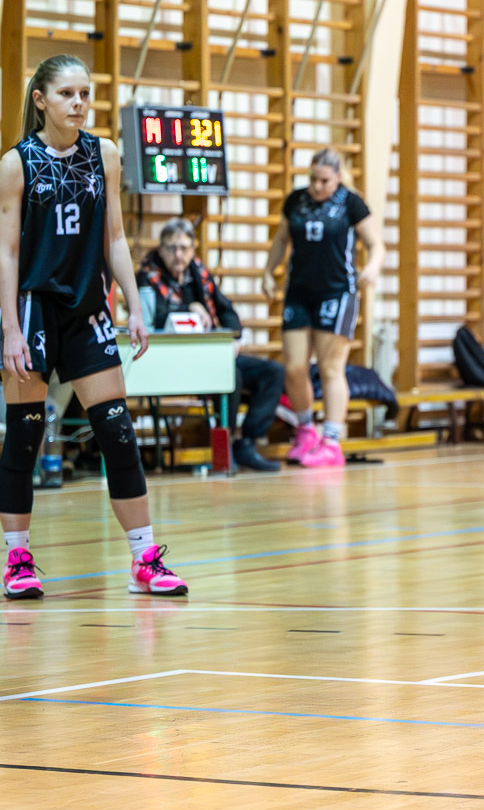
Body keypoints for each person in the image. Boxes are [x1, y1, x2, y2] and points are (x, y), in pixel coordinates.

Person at [0, 54, 187, 599]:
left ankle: (143, 560)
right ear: (41, 100)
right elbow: (6, 252)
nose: (79, 103)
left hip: (87, 310)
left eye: (85, 93)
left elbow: (116, 237)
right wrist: (9, 328)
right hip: (33, 308)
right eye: (67, 94)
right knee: (25, 435)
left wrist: (135, 305)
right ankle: (16, 561)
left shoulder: (103, 153)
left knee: (117, 432)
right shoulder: (16, 163)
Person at [261, 148, 383, 468]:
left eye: (324, 181)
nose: (317, 186)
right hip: (299, 293)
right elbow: (281, 240)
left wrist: (372, 267)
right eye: (313, 179)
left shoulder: (351, 203)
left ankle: (331, 441)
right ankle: (305, 430)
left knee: (331, 368)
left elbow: (376, 244)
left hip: (337, 293)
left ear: (338, 178)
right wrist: (268, 271)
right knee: (294, 367)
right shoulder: (296, 201)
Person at [138, 217, 285, 472]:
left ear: (193, 249)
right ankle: (225, 447)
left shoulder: (199, 272)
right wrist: (189, 308)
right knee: (230, 375)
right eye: (171, 248)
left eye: (184, 248)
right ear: (160, 249)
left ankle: (246, 442)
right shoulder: (147, 276)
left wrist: (234, 338)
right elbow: (153, 319)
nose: (178, 254)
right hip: (172, 360)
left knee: (273, 372)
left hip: (211, 355)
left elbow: (227, 310)